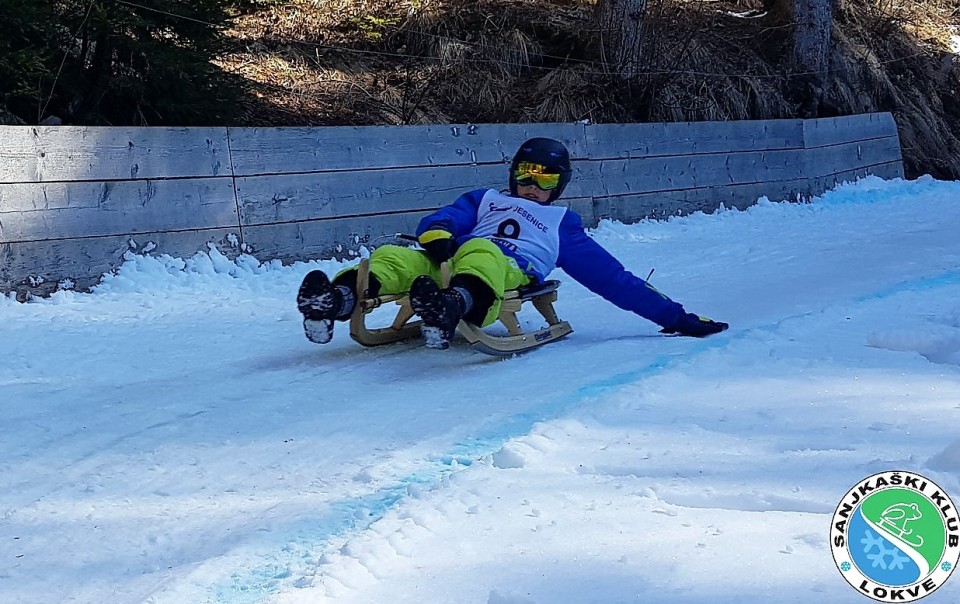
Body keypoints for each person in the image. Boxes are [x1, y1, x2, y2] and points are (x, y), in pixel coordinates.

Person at [297, 137, 728, 349]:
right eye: (526, 175)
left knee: (483, 252)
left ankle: (453, 307)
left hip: (507, 268)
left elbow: (615, 280)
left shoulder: (563, 224)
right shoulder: (486, 199)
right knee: (395, 257)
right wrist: (439, 235)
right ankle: (335, 300)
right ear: (513, 174)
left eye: (545, 180)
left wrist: (677, 317)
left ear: (560, 185)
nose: (532, 187)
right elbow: (447, 216)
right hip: (449, 261)